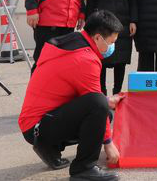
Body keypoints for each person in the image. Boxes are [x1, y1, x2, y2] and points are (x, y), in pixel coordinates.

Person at [18, 10, 123, 181]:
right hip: (38, 127)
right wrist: (108, 144)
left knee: (104, 108)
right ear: (97, 38)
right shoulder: (85, 59)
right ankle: (84, 169)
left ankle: (49, 148)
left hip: (37, 122)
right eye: (111, 42)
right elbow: (95, 102)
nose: (112, 47)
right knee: (99, 106)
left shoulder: (72, 42)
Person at [85, 0, 137, 96]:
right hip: (101, 24)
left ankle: (117, 92)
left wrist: (134, 20)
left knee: (121, 61)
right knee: (100, 60)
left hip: (123, 23)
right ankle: (101, 93)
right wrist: (89, 22)